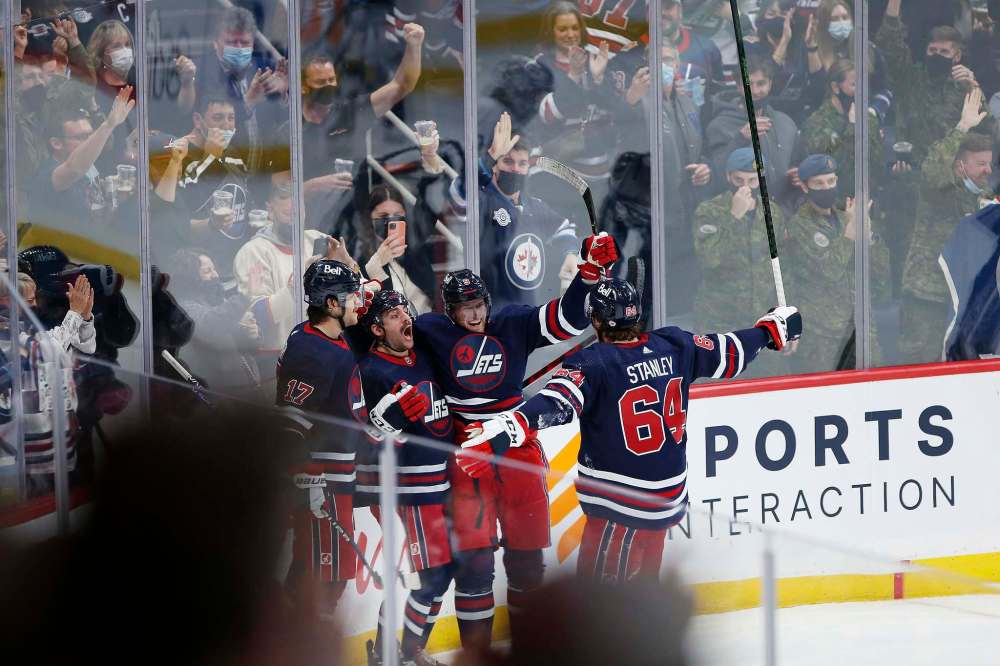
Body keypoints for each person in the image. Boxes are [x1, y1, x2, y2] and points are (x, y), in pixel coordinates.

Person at [459, 278, 800, 583]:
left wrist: (511, 423)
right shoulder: (676, 344)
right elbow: (730, 351)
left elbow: (557, 402)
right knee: (638, 600)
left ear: (595, 320)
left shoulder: (594, 363)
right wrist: (771, 331)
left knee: (602, 612)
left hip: (620, 506)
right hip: (666, 501)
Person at [411, 232, 617, 651]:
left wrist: (588, 274)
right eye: (464, 309)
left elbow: (568, 321)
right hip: (467, 452)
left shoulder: (513, 323)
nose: (474, 316)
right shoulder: (431, 331)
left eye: (478, 305)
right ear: (448, 312)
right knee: (475, 565)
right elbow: (384, 344)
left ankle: (530, 654)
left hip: (518, 443)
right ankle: (476, 655)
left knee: (526, 562)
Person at [355, 289, 455, 666]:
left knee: (438, 577)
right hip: (406, 487)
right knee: (428, 577)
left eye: (403, 310)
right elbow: (360, 435)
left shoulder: (424, 355)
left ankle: (409, 648)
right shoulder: (371, 371)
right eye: (393, 314)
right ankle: (385, 654)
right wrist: (384, 422)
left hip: (438, 481)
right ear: (378, 329)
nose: (404, 317)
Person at [276, 260, 369, 618]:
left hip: (338, 473)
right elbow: (291, 422)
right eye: (350, 296)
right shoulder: (312, 351)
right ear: (331, 305)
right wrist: (307, 480)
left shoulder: (324, 335)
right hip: (321, 476)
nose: (357, 302)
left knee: (334, 572)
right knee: (319, 577)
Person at [450, 112, 579, 310]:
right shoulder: (482, 200)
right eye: (507, 162)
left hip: (528, 311)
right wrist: (490, 154)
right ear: (495, 166)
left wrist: (570, 253)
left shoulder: (534, 206)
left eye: (522, 163)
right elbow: (459, 194)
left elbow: (563, 228)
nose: (516, 169)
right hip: (489, 314)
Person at [899, 122, 994, 364]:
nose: (988, 170)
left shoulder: (982, 200)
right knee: (923, 366)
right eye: (981, 164)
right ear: (960, 166)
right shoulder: (938, 192)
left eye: (990, 164)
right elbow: (932, 171)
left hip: (965, 300)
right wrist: (962, 126)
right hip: (927, 297)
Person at [784, 154, 887, 373]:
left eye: (831, 181)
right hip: (823, 335)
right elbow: (828, 270)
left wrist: (867, 235)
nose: (826, 188)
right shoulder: (798, 226)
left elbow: (880, 273)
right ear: (804, 187)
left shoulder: (845, 217)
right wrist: (850, 235)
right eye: (819, 183)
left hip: (861, 329)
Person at [692, 147, 788, 377]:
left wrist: (786, 319)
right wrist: (733, 217)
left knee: (770, 384)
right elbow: (709, 259)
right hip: (721, 319)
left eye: (752, 180)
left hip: (761, 320)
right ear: (728, 178)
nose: (746, 186)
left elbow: (782, 268)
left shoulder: (772, 212)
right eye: (739, 180)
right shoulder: (710, 211)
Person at [234, 178, 336, 390]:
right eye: (286, 209)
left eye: (298, 207)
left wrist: (350, 267)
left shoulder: (316, 239)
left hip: (325, 352)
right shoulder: (254, 251)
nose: (294, 213)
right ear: (269, 211)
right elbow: (258, 317)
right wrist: (298, 284)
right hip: (276, 360)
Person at [0, 271, 95, 498]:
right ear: (7, 302)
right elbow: (44, 352)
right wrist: (74, 314)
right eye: (29, 301)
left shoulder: (32, 331)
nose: (35, 306)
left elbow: (84, 353)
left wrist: (85, 318)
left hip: (63, 448)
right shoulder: (7, 335)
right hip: (28, 459)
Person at [164, 248, 261, 401]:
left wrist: (248, 333)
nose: (215, 275)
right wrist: (244, 296)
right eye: (208, 271)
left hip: (244, 391)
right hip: (219, 396)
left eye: (214, 269)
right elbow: (211, 324)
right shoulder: (184, 308)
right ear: (190, 277)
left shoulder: (213, 303)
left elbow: (238, 346)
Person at [32, 86, 135, 229]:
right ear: (56, 143)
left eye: (90, 135)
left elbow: (99, 219)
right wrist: (109, 124)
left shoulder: (90, 168)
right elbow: (73, 169)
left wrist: (117, 198)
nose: (89, 141)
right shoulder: (47, 173)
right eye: (81, 137)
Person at [706, 54, 799, 209]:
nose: (755, 91)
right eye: (748, 85)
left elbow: (797, 163)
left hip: (781, 213)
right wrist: (740, 138)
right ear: (738, 86)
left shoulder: (785, 123)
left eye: (761, 83)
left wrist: (795, 174)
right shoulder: (720, 125)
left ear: (770, 84)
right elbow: (715, 177)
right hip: (740, 215)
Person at [177, 95, 251, 289]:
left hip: (237, 267)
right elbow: (188, 202)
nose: (226, 126)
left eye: (231, 118)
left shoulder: (234, 153)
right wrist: (210, 156)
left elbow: (243, 197)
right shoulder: (180, 154)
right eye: (218, 118)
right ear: (198, 120)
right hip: (202, 273)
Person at [799, 58, 883, 199]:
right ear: (835, 87)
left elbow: (876, 166)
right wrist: (852, 129)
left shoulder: (868, 117)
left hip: (868, 203)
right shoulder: (817, 123)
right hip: (836, 205)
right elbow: (833, 170)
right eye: (855, 85)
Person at [362, 185, 434, 314]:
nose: (391, 220)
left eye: (397, 215)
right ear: (370, 219)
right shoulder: (364, 260)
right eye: (383, 215)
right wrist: (377, 264)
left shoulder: (417, 255)